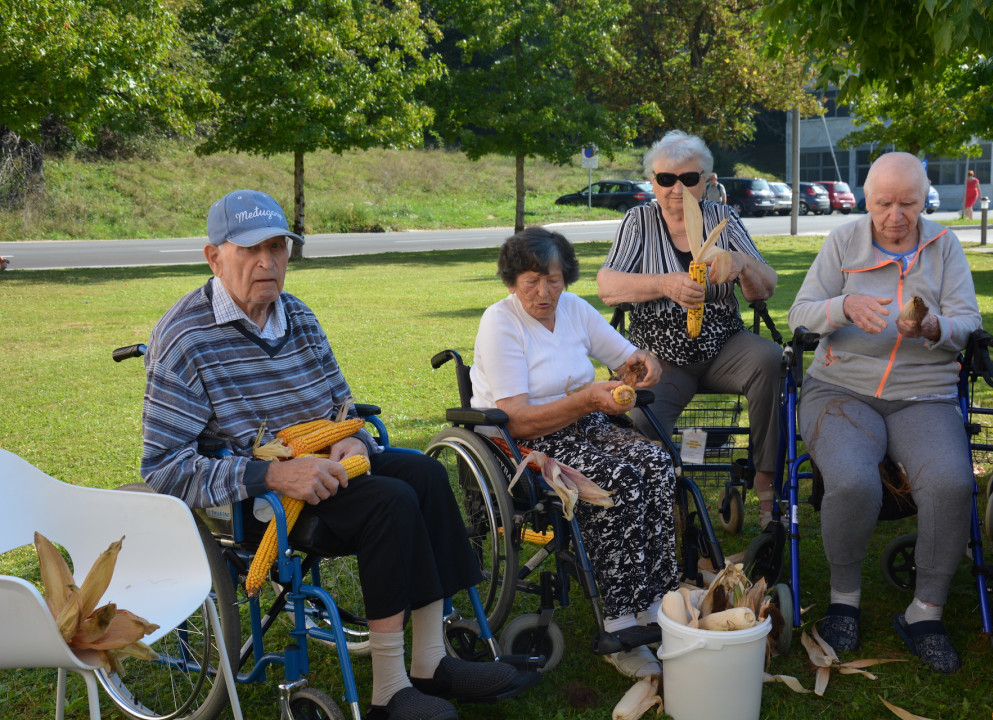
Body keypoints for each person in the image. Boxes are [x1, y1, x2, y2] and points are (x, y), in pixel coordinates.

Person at [141, 189, 522, 720]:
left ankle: (432, 661)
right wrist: (273, 474)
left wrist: (354, 437)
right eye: (250, 249)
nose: (267, 261)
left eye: (277, 247)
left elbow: (342, 404)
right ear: (214, 256)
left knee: (423, 473)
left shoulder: (296, 314)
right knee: (389, 500)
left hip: (328, 468)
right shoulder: (184, 338)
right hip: (262, 500)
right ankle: (390, 689)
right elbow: (163, 469)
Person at [787, 152, 982, 674]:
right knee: (851, 482)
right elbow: (798, 315)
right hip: (840, 390)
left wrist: (936, 326)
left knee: (950, 483)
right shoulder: (842, 242)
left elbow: (969, 320)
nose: (895, 215)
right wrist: (842, 308)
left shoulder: (944, 246)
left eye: (908, 203)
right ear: (865, 198)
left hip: (924, 393)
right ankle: (844, 600)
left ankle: (925, 613)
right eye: (883, 203)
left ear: (924, 200)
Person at [470, 227, 676, 679]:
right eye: (531, 281)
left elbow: (626, 359)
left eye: (554, 280)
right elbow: (518, 417)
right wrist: (586, 399)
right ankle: (620, 622)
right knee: (616, 480)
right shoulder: (500, 322)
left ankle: (658, 601)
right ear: (511, 282)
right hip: (528, 442)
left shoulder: (576, 310)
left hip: (588, 424)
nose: (544, 292)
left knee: (658, 463)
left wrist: (643, 363)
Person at [596, 130, 782, 530]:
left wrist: (742, 265)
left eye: (688, 179)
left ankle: (766, 481)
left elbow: (767, 283)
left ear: (706, 181)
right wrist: (663, 284)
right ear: (653, 182)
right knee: (642, 416)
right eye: (666, 179)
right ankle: (670, 501)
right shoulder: (639, 221)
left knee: (770, 361)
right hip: (662, 356)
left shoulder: (723, 219)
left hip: (722, 345)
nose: (677, 189)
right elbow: (607, 287)